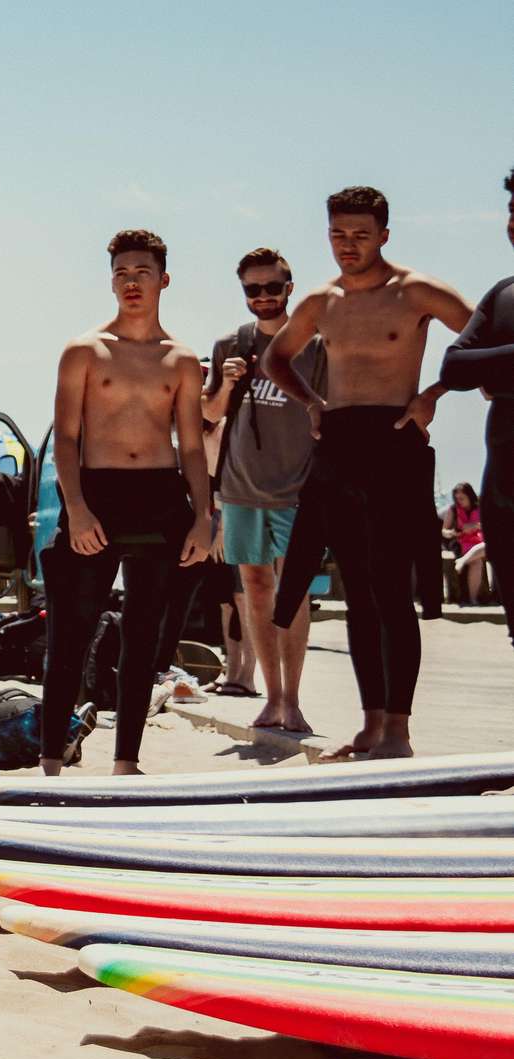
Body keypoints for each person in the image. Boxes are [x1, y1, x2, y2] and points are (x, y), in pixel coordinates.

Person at [263, 187, 475, 760]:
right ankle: (371, 724)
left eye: (360, 235)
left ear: (385, 233)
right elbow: (275, 358)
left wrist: (433, 394)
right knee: (358, 592)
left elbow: (484, 340)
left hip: (395, 442)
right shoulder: (322, 300)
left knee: (389, 590)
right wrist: (310, 401)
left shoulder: (415, 291)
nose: (347, 246)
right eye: (338, 235)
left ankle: (399, 731)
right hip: (339, 443)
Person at [40, 230, 213, 777]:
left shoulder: (183, 360)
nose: (131, 282)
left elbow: (191, 445)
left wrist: (205, 517)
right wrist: (77, 510)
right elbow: (65, 438)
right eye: (121, 273)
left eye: (141, 272)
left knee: (143, 638)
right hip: (98, 494)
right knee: (71, 629)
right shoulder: (84, 351)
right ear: (110, 280)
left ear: (163, 279)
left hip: (161, 496)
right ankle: (50, 761)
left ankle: (126, 763)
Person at [199, 247, 329, 730]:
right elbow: (209, 415)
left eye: (272, 287)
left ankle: (292, 700)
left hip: (297, 488)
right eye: (253, 289)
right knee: (255, 590)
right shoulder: (230, 344)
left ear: (289, 288)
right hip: (240, 488)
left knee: (290, 595)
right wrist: (226, 384)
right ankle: (271, 697)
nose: (263, 297)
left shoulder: (316, 345)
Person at [437, 166, 514, 647]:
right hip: (504, 490)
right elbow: (454, 367)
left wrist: (494, 371)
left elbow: (474, 366)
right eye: (512, 210)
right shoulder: (503, 293)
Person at [444, 483, 490, 605]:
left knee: (486, 547)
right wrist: (454, 532)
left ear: (469, 496)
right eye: (457, 498)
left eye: (462, 498)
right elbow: (444, 531)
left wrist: (476, 526)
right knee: (477, 562)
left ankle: (462, 561)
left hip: (478, 541)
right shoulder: (453, 509)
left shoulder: (480, 508)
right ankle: (473, 599)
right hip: (460, 542)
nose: (459, 501)